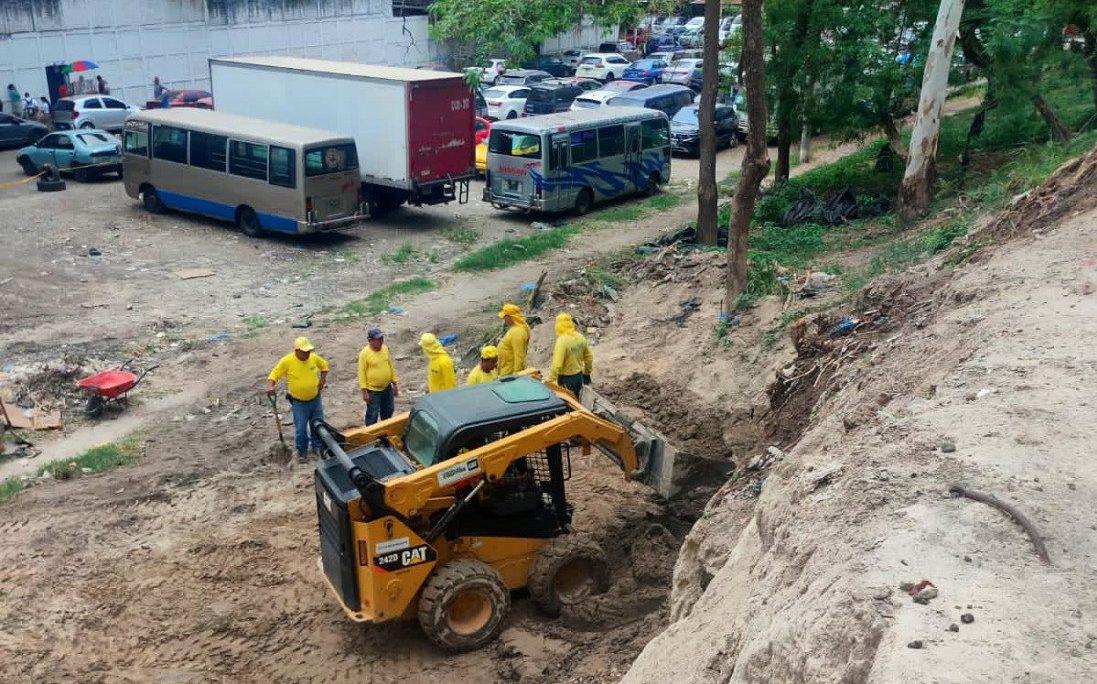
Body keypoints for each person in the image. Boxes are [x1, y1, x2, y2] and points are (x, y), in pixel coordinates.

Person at [266, 337, 329, 463]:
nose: (307, 353)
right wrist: (270, 385)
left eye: (309, 351)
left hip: (315, 399)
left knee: (317, 424)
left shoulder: (313, 358)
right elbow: (274, 373)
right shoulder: (287, 361)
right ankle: (302, 452)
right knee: (301, 428)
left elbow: (324, 365)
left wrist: (322, 380)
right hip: (299, 403)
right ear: (297, 350)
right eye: (304, 351)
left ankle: (317, 447)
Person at [357, 327, 399, 425]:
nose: (381, 341)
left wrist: (395, 383)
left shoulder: (384, 348)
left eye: (381, 338)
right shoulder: (364, 354)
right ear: (370, 340)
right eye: (378, 339)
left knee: (389, 410)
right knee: (372, 414)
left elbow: (390, 365)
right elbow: (361, 373)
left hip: (387, 388)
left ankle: (385, 430)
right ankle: (372, 435)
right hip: (373, 391)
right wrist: (364, 392)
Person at [547, 313, 593, 399]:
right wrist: (587, 373)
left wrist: (549, 380)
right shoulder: (580, 337)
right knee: (577, 399)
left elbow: (557, 365)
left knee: (569, 402)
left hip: (566, 379)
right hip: (579, 377)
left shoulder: (562, 341)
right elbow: (589, 357)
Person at [496, 303, 530, 377]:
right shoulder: (520, 326)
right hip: (506, 368)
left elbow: (519, 357)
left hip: (509, 372)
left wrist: (516, 375)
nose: (504, 320)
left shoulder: (518, 332)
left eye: (505, 317)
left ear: (509, 317)